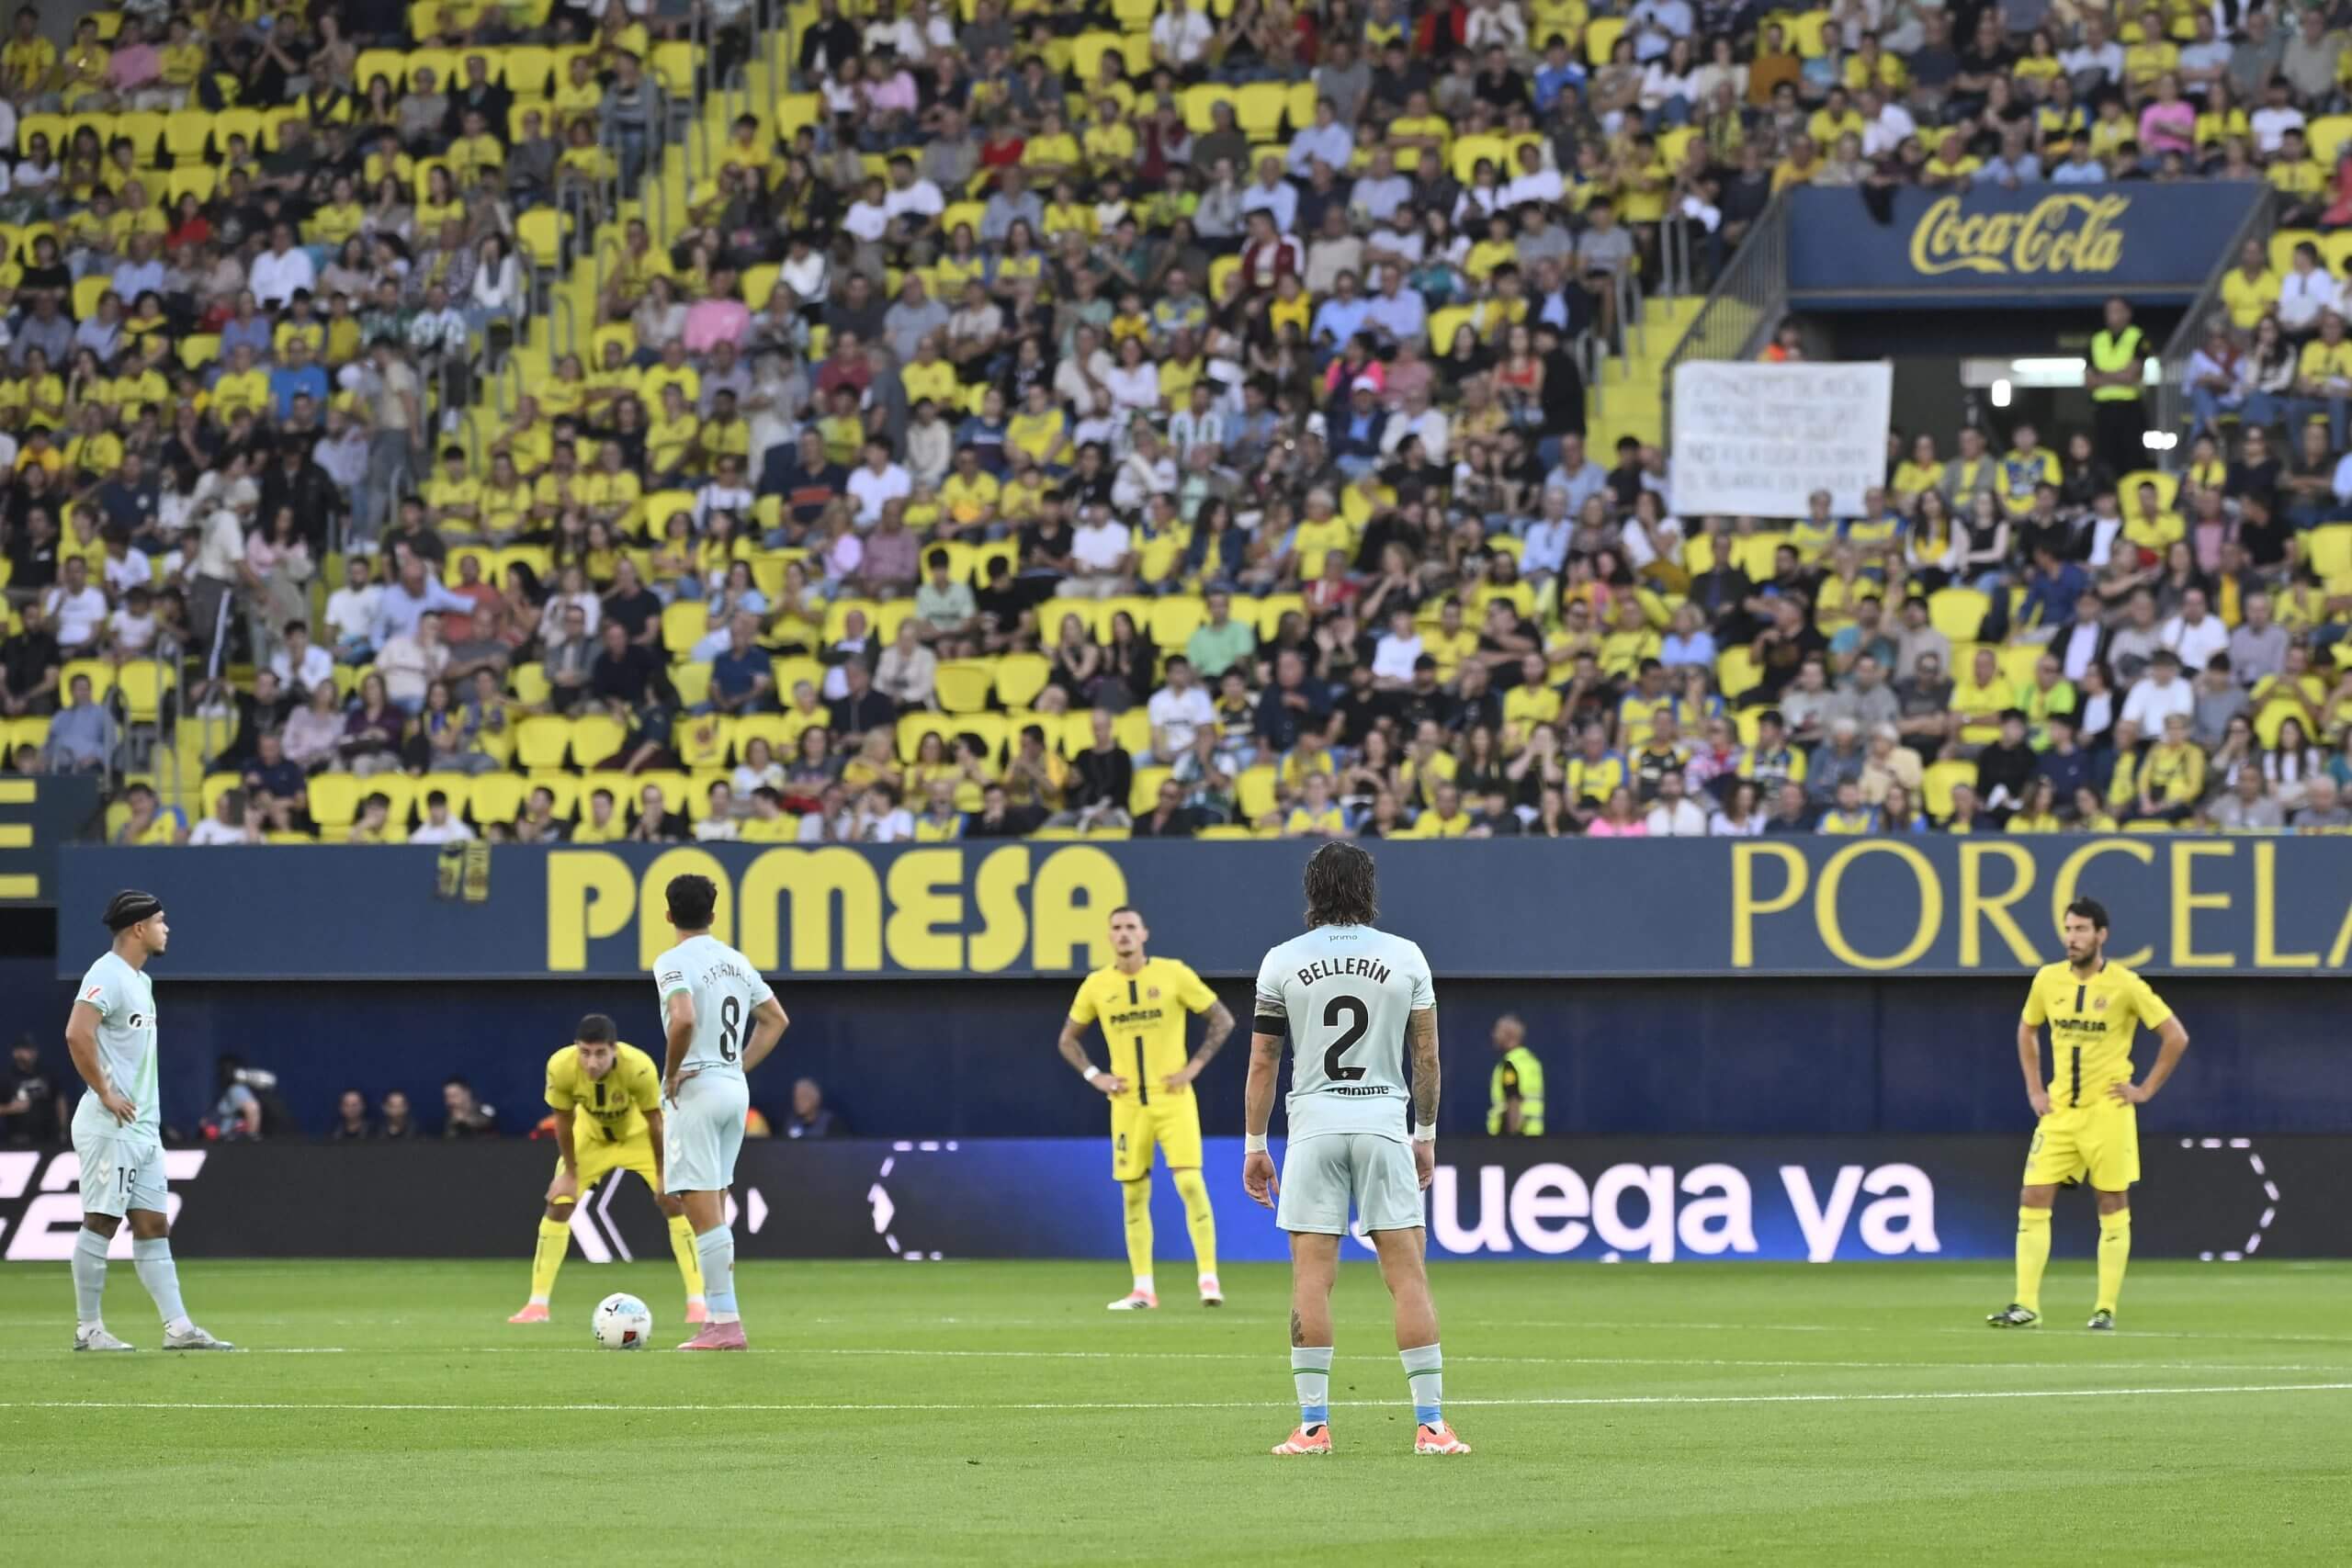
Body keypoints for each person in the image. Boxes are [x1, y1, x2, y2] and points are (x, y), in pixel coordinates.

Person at [1244, 843, 1467, 1457]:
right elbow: (1426, 1056)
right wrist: (1424, 1135)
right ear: (1369, 888)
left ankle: (1313, 1427)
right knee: (1407, 1275)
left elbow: (1264, 1058)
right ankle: (1432, 1425)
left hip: (1313, 1125)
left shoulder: (1282, 960)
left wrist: (1255, 1144)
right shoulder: (1405, 955)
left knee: (1311, 1278)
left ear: (1311, 890)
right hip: (1381, 1120)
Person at [1990, 897, 2191, 1334]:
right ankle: (2026, 1305)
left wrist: (2145, 1090)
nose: (2072, 937)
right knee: (2032, 1197)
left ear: (2101, 936)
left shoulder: (2126, 985)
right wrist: (2034, 1089)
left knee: (2111, 1202)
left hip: (2108, 1112)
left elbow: (2175, 1036)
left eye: (2081, 929)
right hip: (2061, 1111)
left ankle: (2105, 1309)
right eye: (2068, 929)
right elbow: (2027, 1028)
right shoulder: (2047, 980)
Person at [62, 890, 233, 1351]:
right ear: (138, 928)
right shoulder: (107, 975)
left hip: (141, 1127)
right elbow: (77, 1033)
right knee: (101, 1220)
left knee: (153, 1225)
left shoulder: (142, 982)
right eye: (160, 921)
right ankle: (88, 1329)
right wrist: (104, 1091)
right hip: (109, 1124)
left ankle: (178, 1328)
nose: (166, 928)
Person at [1057, 906, 1237, 1310]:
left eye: (1130, 928)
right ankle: (1143, 1289)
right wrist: (1094, 1076)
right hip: (1126, 1103)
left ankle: (1208, 1279)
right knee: (1134, 1194)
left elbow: (1222, 1019)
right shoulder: (1096, 985)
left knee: (1190, 1184)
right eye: (1117, 928)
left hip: (1171, 1098)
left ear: (1144, 934)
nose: (1124, 934)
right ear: (1109, 937)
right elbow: (1067, 1039)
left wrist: (1193, 1067)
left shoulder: (1173, 973)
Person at [656, 873, 788, 1351]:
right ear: (713, 915)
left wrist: (672, 1072)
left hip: (697, 1086)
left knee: (701, 1207)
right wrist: (737, 1067)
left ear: (668, 914)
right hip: (733, 1088)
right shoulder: (735, 960)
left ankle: (725, 1324)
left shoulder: (672, 960)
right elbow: (776, 1020)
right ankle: (718, 1318)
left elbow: (684, 1016)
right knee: (716, 1201)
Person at [507, 1014, 707, 1329]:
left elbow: (655, 1122)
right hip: (591, 1138)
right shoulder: (560, 1066)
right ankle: (537, 1304)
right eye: (585, 1052)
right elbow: (563, 1121)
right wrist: (570, 1173)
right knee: (559, 1204)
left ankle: (697, 1302)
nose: (592, 1062)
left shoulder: (638, 1066)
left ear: (614, 1049)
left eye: (600, 1053)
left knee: (672, 1200)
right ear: (577, 1049)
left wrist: (661, 1171)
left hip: (638, 1136)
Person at [1487, 1014, 1544, 1135]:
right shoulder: (1531, 1061)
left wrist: (1511, 1139)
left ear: (1509, 1035)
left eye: (1498, 1031)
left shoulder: (1510, 1064)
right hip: (1534, 1135)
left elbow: (1513, 1100)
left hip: (1516, 1138)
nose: (1494, 1035)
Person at [1, 1035, 64, 1144]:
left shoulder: (47, 1074)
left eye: (32, 1050)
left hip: (49, 1137)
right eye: (26, 1050)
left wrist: (62, 1128)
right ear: (16, 1053)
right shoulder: (6, 1078)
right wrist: (11, 1108)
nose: (31, 1054)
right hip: (18, 1140)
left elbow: (59, 1100)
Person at [783, 1077, 848, 1138]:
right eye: (796, 1098)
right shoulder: (790, 1122)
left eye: (803, 1097)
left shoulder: (831, 1123)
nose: (798, 1102)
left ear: (816, 1099)